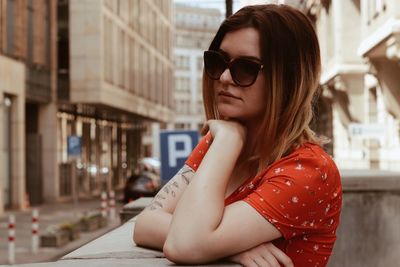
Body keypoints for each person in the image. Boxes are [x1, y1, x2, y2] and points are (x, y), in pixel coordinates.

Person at [133, 4, 342, 267]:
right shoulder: (220, 141)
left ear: (289, 78)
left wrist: (209, 241)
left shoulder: (309, 170)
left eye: (246, 68)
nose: (224, 77)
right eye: (217, 62)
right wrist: (228, 247)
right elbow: (145, 223)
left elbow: (183, 244)